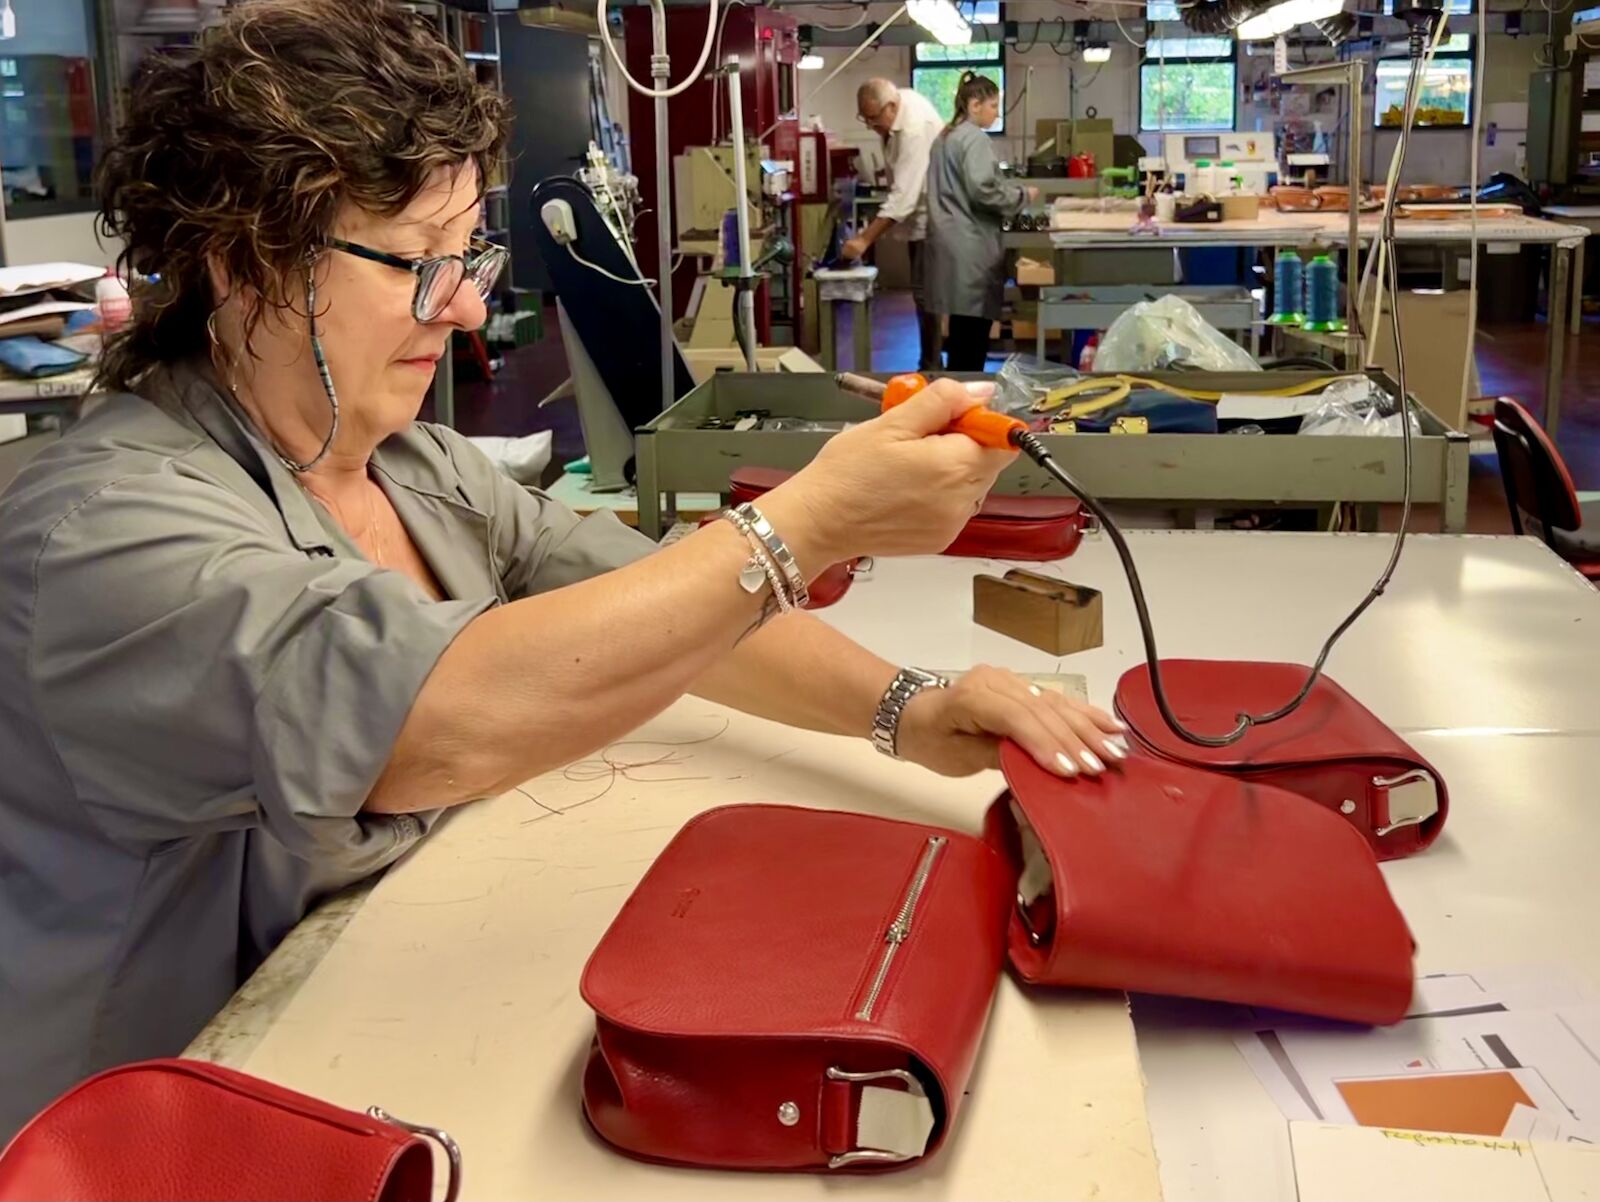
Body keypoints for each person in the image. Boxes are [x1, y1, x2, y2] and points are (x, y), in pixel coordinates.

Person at [0, 0, 1125, 1140]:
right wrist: (810, 526)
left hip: (375, 1036)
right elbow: (429, 721)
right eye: (418, 264)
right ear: (243, 263)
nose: (475, 304)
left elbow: (650, 605)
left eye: (470, 255)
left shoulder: (414, 465)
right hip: (147, 1122)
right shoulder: (99, 536)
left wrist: (910, 709)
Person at [925, 72, 1038, 372]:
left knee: (961, 334)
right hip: (971, 246)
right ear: (974, 105)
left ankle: (955, 398)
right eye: (993, 105)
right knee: (972, 339)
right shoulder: (974, 138)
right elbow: (983, 189)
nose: (996, 113)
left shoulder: (945, 137)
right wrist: (1021, 196)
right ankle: (964, 405)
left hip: (950, 244)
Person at [843, 79, 945, 371]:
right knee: (923, 295)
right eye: (866, 119)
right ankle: (930, 364)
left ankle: (931, 369)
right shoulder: (895, 111)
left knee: (927, 297)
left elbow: (905, 197)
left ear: (891, 106)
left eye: (874, 118)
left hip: (935, 218)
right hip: (922, 215)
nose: (871, 125)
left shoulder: (914, 127)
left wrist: (864, 239)